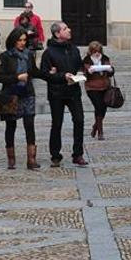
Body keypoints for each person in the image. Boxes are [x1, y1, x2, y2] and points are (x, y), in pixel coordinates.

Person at [40, 21, 88, 167]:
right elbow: (44, 74)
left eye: (68, 27)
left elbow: (79, 65)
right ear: (57, 34)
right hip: (57, 93)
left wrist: (80, 72)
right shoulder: (49, 52)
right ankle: (55, 155)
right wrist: (62, 76)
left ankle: (77, 154)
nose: (69, 30)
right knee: (57, 123)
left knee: (79, 120)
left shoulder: (73, 49)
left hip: (73, 91)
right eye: (65, 28)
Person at [0, 27, 42, 170]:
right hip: (11, 95)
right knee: (11, 126)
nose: (22, 43)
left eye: (24, 40)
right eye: (19, 40)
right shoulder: (5, 56)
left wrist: (52, 74)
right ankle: (11, 158)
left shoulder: (29, 55)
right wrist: (17, 77)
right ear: (13, 41)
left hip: (27, 94)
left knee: (30, 125)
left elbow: (35, 72)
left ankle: (31, 159)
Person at [83, 41, 114, 141]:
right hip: (92, 87)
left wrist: (111, 70)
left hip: (105, 86)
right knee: (98, 106)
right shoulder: (87, 60)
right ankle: (100, 132)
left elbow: (110, 71)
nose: (97, 53)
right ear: (91, 51)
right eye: (94, 51)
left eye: (98, 51)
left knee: (103, 108)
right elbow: (84, 73)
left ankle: (96, 126)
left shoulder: (105, 58)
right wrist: (88, 71)